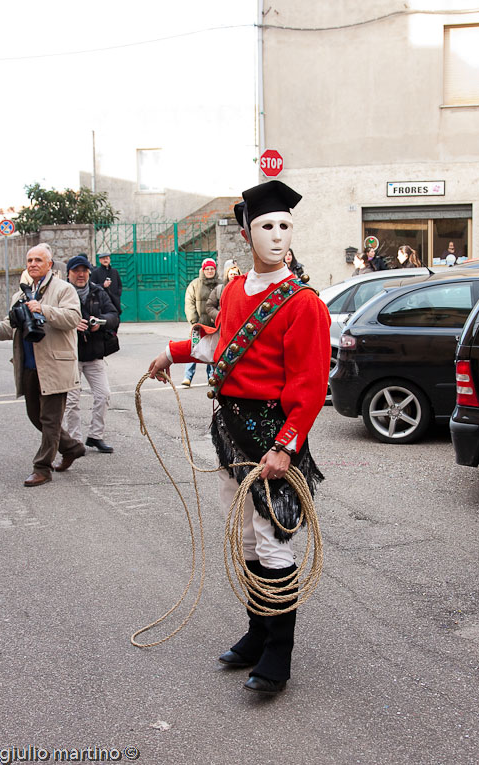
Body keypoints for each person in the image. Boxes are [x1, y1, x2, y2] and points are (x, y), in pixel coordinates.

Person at [148, 180, 331, 695]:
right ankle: (255, 634)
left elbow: (311, 386)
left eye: (285, 227)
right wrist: (171, 350)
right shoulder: (230, 290)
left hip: (274, 437)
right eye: (266, 226)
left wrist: (286, 445)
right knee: (246, 536)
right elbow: (222, 345)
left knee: (274, 540)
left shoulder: (304, 305)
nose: (277, 236)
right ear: (247, 233)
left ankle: (278, 653)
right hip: (229, 433)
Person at [0, 245, 85, 487]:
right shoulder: (20, 295)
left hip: (55, 366)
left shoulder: (64, 290)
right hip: (30, 367)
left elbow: (73, 318)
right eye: (29, 260)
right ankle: (71, 447)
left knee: (49, 419)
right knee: (35, 416)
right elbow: (11, 327)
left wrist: (43, 309)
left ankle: (42, 468)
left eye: (38, 260)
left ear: (49, 264)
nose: (32, 264)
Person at [64, 254, 120, 454]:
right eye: (76, 271)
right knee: (71, 401)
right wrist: (71, 323)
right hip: (70, 356)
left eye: (84, 271)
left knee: (103, 394)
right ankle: (74, 441)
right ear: (68, 273)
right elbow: (52, 318)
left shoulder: (97, 292)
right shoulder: (62, 293)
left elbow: (114, 315)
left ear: (88, 272)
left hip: (94, 353)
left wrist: (100, 322)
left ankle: (96, 436)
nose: (81, 275)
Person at [181, 257, 221, 387]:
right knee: (194, 348)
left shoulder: (220, 284)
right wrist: (194, 320)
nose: (209, 271)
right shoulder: (195, 284)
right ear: (203, 270)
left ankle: (211, 377)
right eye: (207, 269)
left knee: (212, 350)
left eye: (212, 269)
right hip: (200, 323)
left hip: (215, 323)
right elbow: (189, 303)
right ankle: (188, 377)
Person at [206, 259, 242, 323]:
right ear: (227, 274)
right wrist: (220, 316)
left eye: (235, 274)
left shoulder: (243, 289)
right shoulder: (219, 289)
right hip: (222, 325)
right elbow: (209, 307)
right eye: (231, 274)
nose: (233, 276)